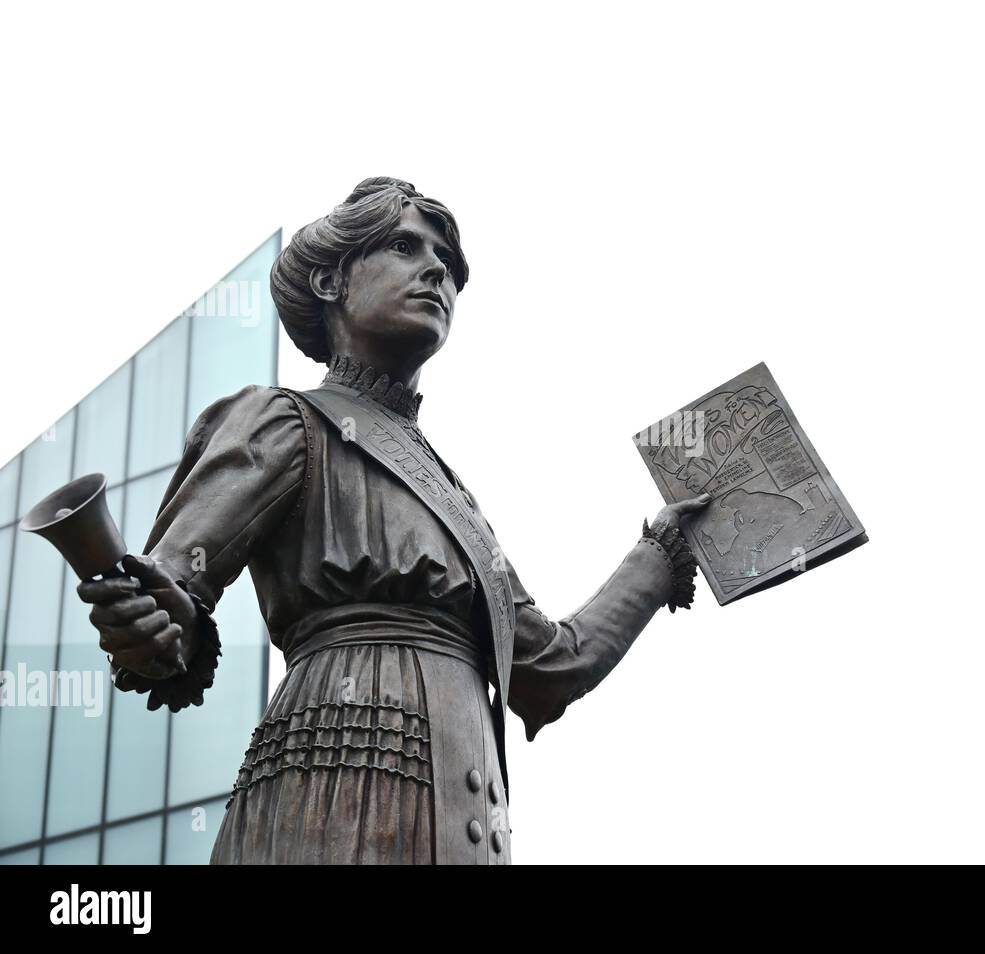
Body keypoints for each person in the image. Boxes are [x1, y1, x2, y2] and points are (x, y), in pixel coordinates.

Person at [76, 177, 708, 864]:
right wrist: (154, 621)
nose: (437, 270)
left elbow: (549, 667)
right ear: (329, 281)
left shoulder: (456, 501)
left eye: (448, 262)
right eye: (405, 246)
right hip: (326, 805)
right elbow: (173, 587)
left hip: (463, 828)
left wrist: (664, 552)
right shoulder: (287, 420)